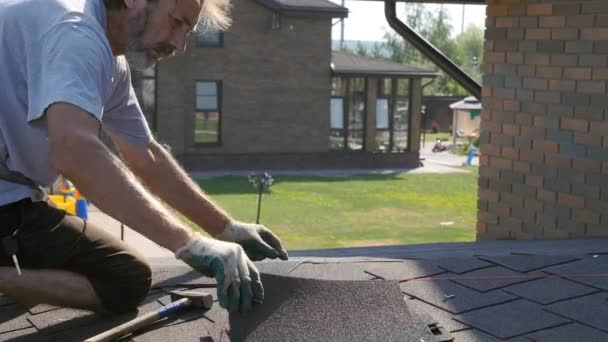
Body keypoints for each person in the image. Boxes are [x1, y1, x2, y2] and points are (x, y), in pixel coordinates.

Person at [0, 0, 288, 315]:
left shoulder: (105, 52)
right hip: (8, 203)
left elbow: (145, 154)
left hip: (13, 197)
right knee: (125, 279)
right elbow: (74, 151)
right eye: (177, 22)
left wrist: (224, 227)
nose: (179, 45)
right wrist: (187, 243)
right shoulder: (76, 33)